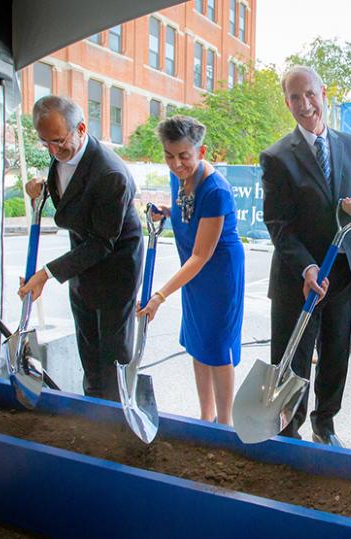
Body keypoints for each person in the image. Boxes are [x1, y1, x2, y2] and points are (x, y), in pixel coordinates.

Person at [260, 66, 351, 447]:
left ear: (323, 92)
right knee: (292, 356)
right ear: (287, 103)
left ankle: (325, 424)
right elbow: (278, 223)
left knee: (335, 355)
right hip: (299, 279)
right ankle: (288, 428)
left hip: (343, 274)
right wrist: (307, 266)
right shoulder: (277, 156)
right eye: (295, 98)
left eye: (309, 94)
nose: (304, 104)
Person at [19, 95, 143, 402]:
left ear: (81, 129)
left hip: (115, 265)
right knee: (87, 343)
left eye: (58, 142)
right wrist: (41, 185)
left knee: (112, 352)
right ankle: (93, 412)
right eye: (44, 143)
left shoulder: (110, 174)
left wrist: (46, 274)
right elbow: (72, 191)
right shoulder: (61, 152)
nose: (52, 150)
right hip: (83, 260)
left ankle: (117, 421)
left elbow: (102, 242)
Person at [137, 115, 245, 425]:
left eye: (184, 156)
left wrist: (159, 295)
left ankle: (224, 423)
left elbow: (201, 255)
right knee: (199, 345)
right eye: (169, 156)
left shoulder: (216, 191)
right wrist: (166, 213)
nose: (176, 163)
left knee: (218, 347)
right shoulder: (178, 176)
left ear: (201, 151)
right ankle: (204, 416)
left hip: (217, 274)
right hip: (194, 277)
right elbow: (187, 212)